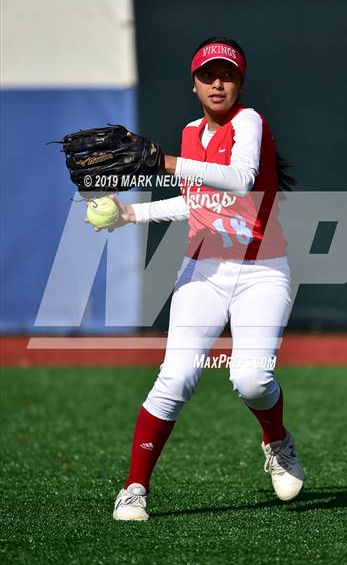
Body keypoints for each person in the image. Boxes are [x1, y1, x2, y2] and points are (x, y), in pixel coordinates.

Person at [90, 37, 304, 521]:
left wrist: (163, 162)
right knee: (177, 376)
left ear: (239, 82)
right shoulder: (190, 134)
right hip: (203, 268)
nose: (217, 83)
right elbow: (197, 201)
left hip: (262, 270)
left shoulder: (249, 123)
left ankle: (277, 440)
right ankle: (135, 488)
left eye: (227, 74)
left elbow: (240, 178)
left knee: (250, 379)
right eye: (208, 75)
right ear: (194, 84)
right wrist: (130, 214)